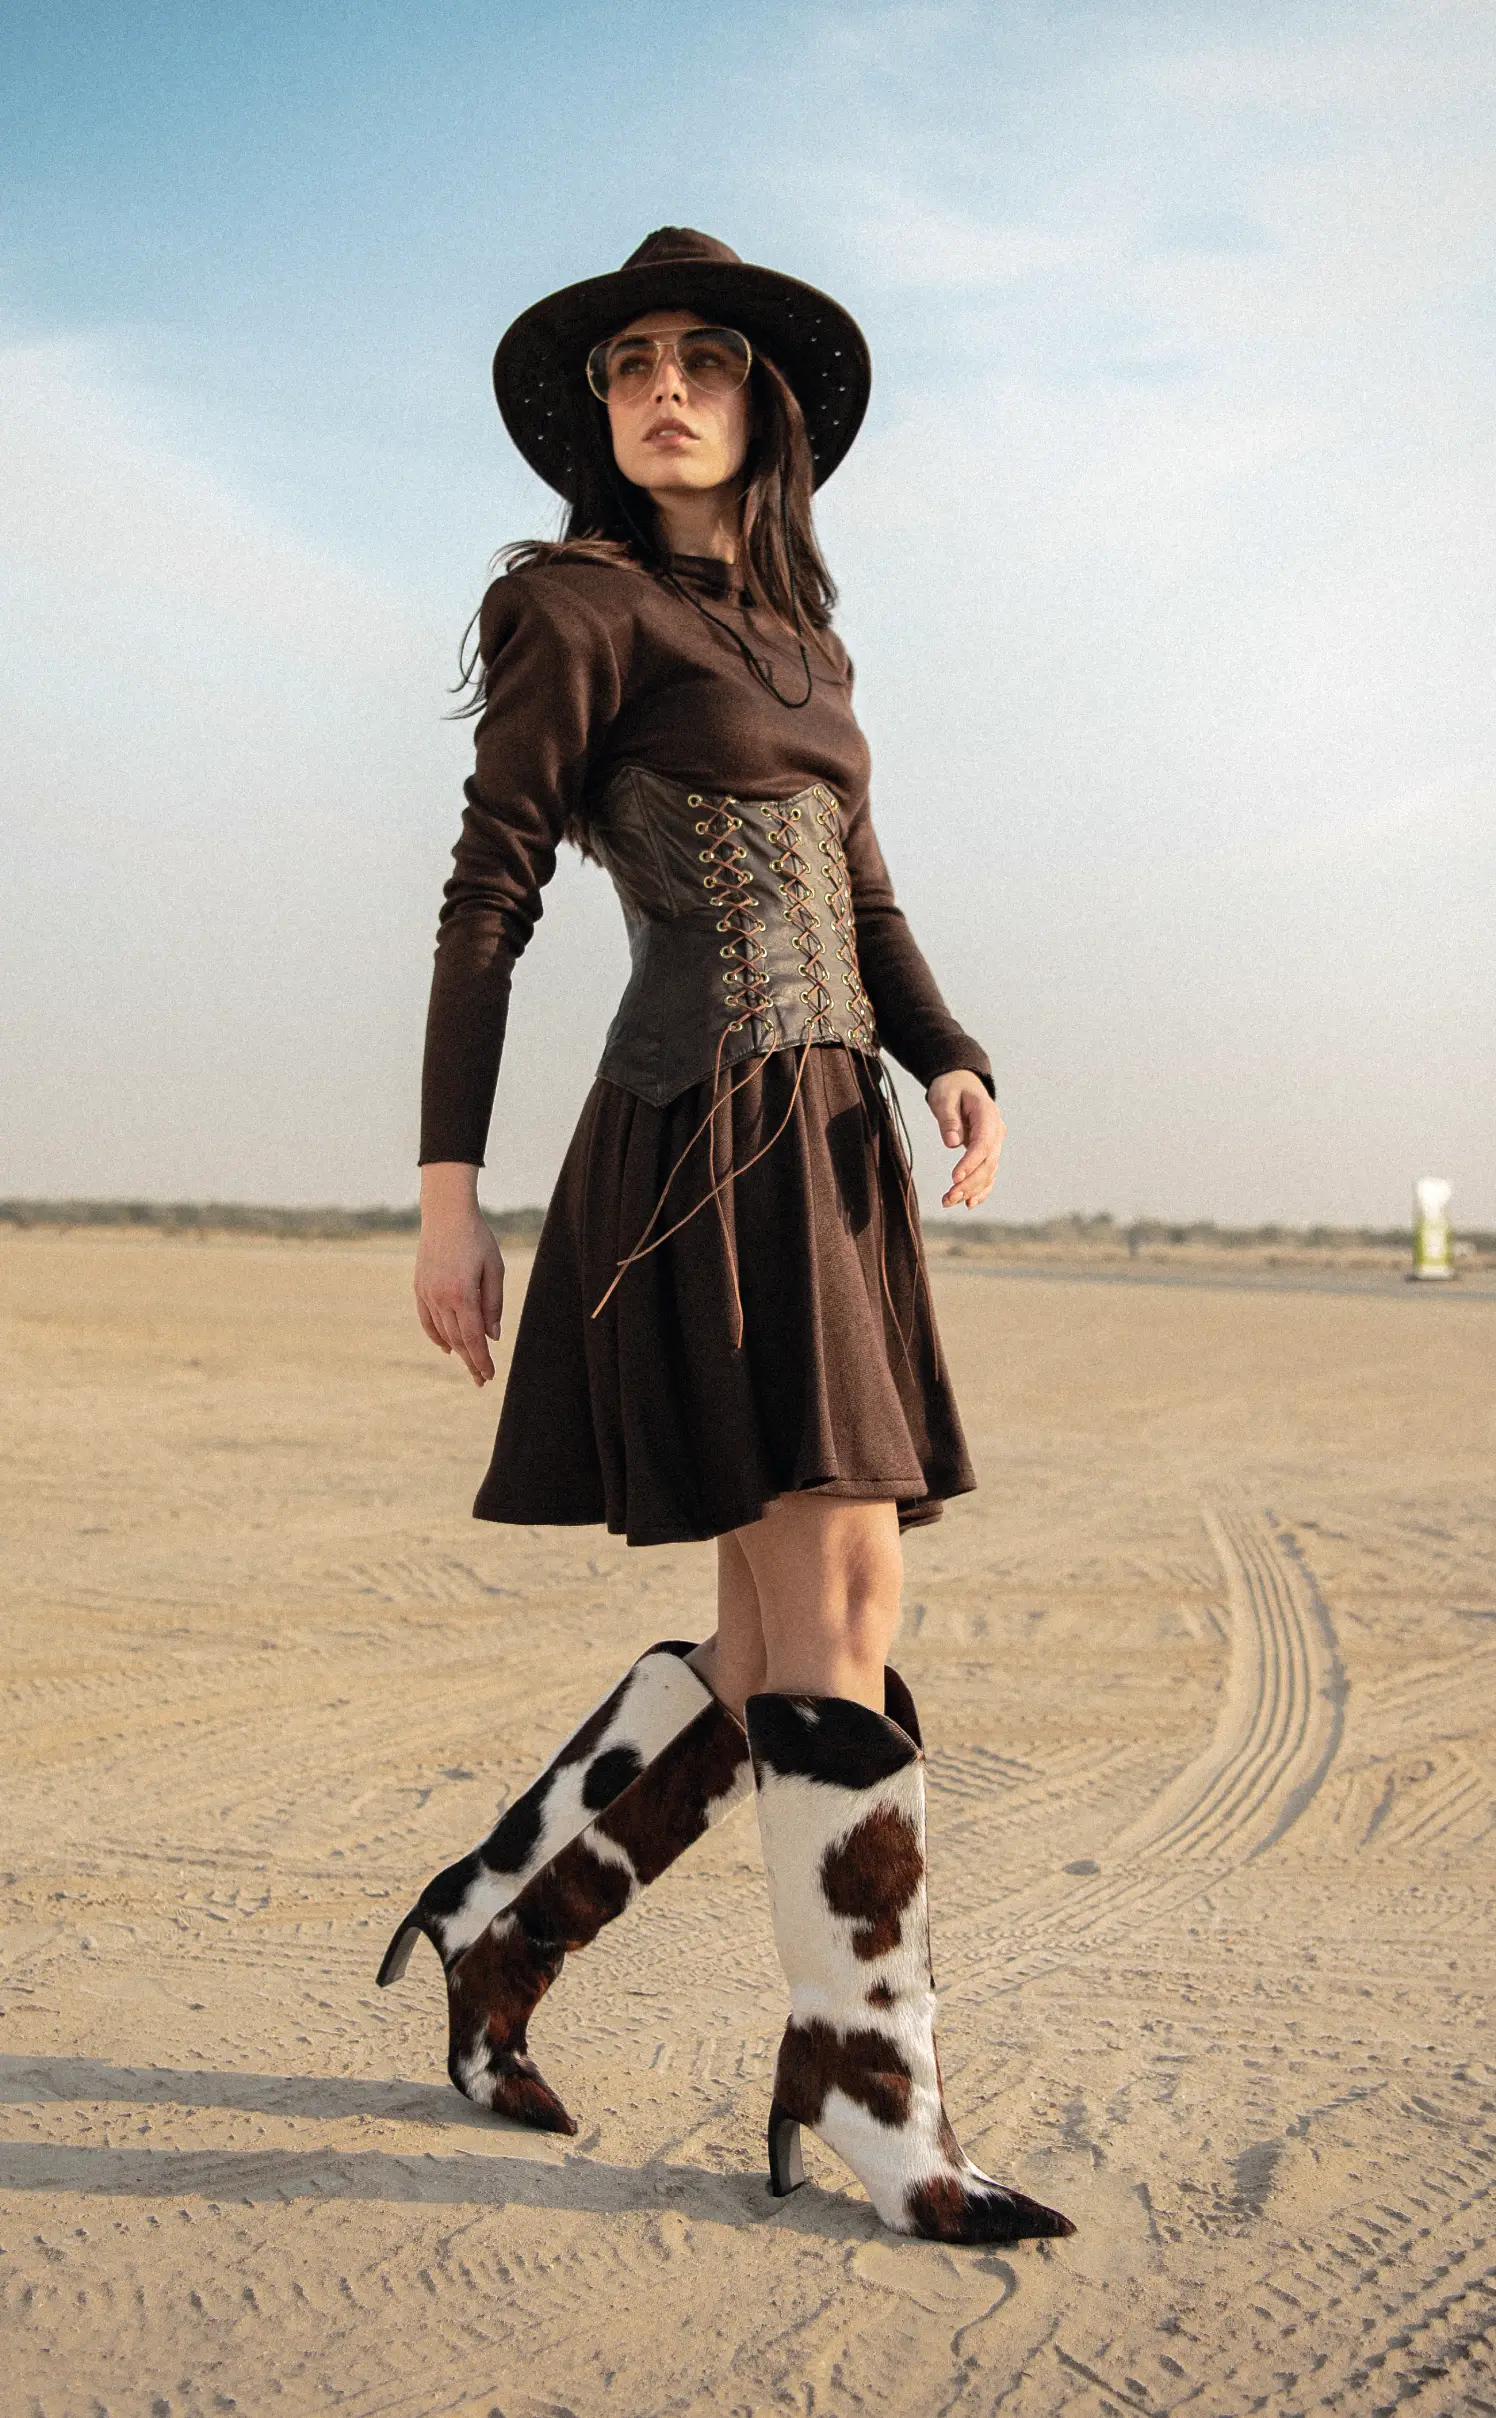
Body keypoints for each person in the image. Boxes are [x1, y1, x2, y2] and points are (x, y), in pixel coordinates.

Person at [378, 229, 1073, 2247]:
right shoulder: (571, 606)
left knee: (775, 1637)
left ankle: (500, 1928)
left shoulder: (801, 650)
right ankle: (867, 2091)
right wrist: (448, 1191)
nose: (665, 385)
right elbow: (489, 895)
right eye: (631, 364)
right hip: (701, 1144)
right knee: (847, 1582)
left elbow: (862, 889)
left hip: (829, 1143)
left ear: (762, 407)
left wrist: (948, 1053)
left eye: (703, 358)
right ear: (599, 416)